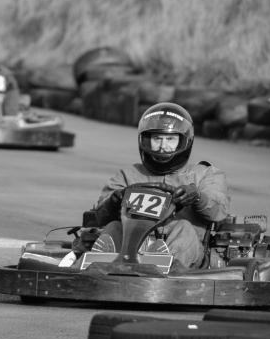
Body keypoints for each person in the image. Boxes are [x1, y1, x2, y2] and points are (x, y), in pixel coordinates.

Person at [74, 102, 231, 271]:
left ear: (185, 141)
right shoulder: (128, 175)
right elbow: (99, 217)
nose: (163, 147)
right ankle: (97, 267)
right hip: (129, 246)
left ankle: (161, 265)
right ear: (146, 140)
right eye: (157, 139)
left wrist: (197, 197)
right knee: (113, 227)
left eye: (170, 139)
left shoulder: (205, 174)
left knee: (183, 227)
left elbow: (218, 211)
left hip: (186, 255)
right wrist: (114, 200)